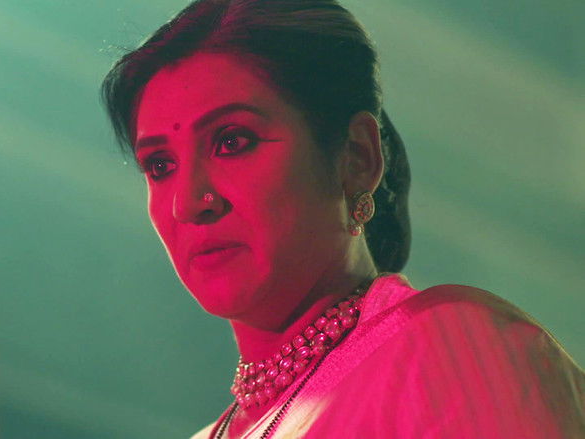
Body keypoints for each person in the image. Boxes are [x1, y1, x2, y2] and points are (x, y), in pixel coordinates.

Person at [100, 0, 585, 437]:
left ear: (356, 157)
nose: (188, 202)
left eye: (232, 141)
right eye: (160, 166)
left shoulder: (451, 348)